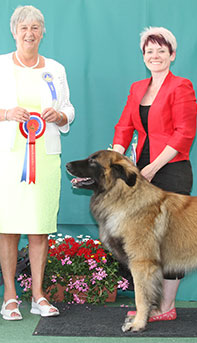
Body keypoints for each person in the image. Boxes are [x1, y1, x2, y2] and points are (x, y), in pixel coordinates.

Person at [113, 26, 197, 321]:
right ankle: (147, 303)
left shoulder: (181, 86)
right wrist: (116, 155)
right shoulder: (137, 88)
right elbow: (125, 126)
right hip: (139, 173)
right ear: (143, 56)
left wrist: (152, 167)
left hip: (170, 170)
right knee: (141, 242)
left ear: (172, 55)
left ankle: (167, 307)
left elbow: (184, 134)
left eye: (161, 50)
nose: (155, 56)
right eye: (150, 51)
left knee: (172, 241)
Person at [0, 6, 74, 320]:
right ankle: (10, 296)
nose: (29, 34)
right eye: (23, 28)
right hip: (8, 156)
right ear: (13, 32)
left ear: (43, 33)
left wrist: (60, 116)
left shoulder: (55, 69)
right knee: (7, 227)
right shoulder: (1, 66)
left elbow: (69, 109)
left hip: (44, 156)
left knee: (40, 227)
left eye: (35, 28)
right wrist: (5, 114)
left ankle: (39, 295)